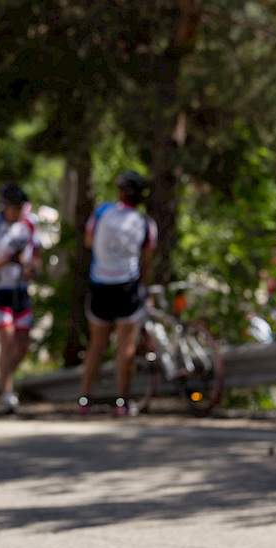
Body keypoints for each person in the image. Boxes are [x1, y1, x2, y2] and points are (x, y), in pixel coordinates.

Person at [77, 171, 158, 416]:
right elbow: (146, 260)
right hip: (127, 286)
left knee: (97, 345)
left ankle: (84, 400)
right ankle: (122, 402)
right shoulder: (145, 223)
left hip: (101, 283)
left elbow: (88, 241)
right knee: (126, 347)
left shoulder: (102, 212)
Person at [0, 184, 42, 414]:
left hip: (20, 290)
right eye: (13, 208)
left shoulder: (30, 224)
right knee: (8, 339)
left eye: (20, 208)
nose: (17, 212)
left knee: (23, 345)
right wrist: (6, 260)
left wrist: (31, 267)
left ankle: (5, 377)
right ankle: (7, 394)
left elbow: (38, 256)